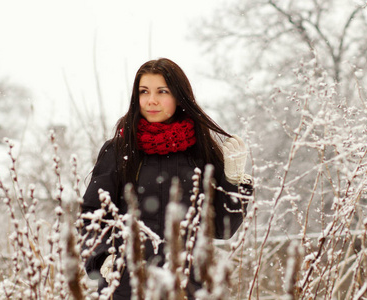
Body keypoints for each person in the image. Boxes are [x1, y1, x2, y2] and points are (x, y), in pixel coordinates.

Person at [81, 58, 252, 299]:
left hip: (188, 288)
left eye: (162, 91)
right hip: (126, 288)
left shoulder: (200, 154)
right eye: (144, 91)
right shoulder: (119, 151)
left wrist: (233, 182)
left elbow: (222, 229)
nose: (151, 100)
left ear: (179, 96)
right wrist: (102, 259)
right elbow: (91, 216)